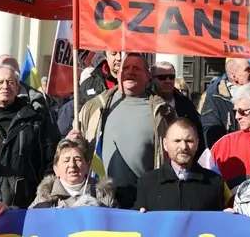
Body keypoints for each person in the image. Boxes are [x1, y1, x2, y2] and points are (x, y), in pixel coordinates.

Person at [75, 53, 173, 209]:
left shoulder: (163, 112)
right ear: (118, 73)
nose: (130, 72)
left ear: (148, 76)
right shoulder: (94, 107)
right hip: (102, 201)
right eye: (125, 67)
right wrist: (72, 141)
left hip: (144, 201)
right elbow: (74, 147)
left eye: (136, 68)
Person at [134, 119, 228, 212]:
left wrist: (228, 217)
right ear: (165, 144)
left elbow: (218, 221)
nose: (183, 147)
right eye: (177, 141)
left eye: (189, 141)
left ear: (197, 144)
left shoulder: (214, 182)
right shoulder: (147, 183)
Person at [31, 137, 115, 209]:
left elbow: (117, 223)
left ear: (88, 166)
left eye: (77, 159)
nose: (72, 165)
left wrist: (99, 209)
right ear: (56, 169)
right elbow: (31, 223)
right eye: (66, 160)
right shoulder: (44, 197)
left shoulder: (103, 194)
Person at [150, 61, 203, 155]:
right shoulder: (146, 103)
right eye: (162, 77)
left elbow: (198, 134)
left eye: (171, 77)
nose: (168, 81)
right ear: (152, 79)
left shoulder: (186, 104)